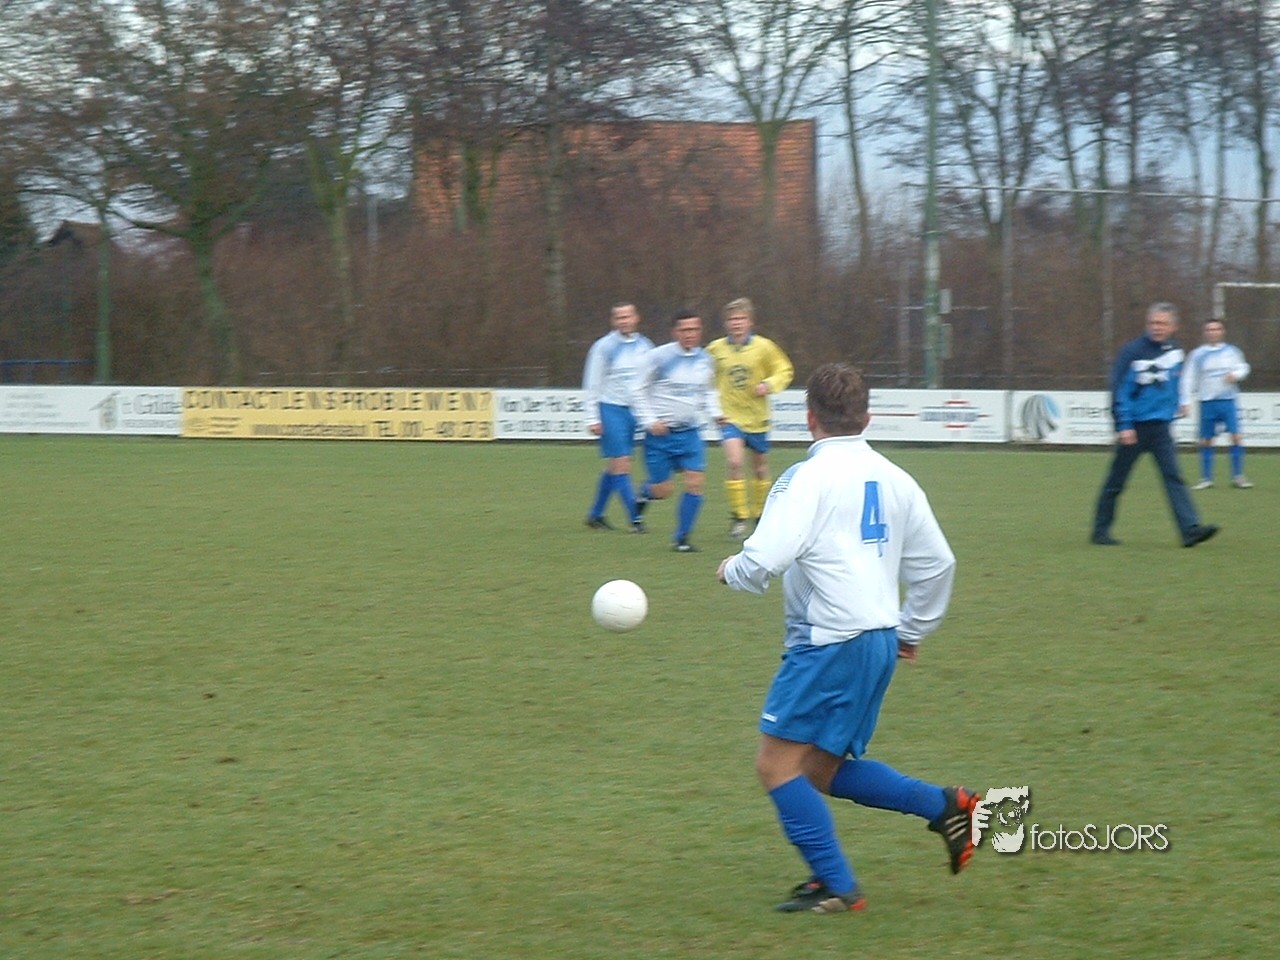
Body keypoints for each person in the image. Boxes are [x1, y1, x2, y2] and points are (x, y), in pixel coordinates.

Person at [717, 362, 979, 915]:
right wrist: (911, 630)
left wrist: (731, 571)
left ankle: (836, 884)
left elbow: (766, 556)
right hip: (878, 639)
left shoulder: (806, 478)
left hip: (830, 642)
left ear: (809, 417)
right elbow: (938, 565)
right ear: (867, 417)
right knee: (819, 768)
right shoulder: (897, 478)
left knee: (775, 765)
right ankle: (947, 807)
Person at [1090, 302, 1218, 548]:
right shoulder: (1132, 352)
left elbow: (1176, 382)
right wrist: (1123, 425)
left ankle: (1190, 530)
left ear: (1174, 326)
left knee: (1173, 477)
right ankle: (1100, 531)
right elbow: (1119, 391)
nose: (1156, 327)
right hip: (1134, 428)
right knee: (1116, 481)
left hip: (1160, 429)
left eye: (1162, 323)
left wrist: (1180, 402)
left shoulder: (1176, 351)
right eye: (1153, 323)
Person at [631, 310, 725, 552]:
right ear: (675, 332)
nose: (689, 334)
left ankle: (681, 539)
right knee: (663, 490)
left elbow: (708, 392)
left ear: (700, 331)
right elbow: (637, 390)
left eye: (694, 329)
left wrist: (716, 414)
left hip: (690, 433)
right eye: (684, 330)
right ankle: (645, 493)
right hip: (660, 436)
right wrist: (650, 421)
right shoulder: (658, 357)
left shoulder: (706, 360)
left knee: (695, 483)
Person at [707, 297, 794, 539]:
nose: (736, 323)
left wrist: (769, 384)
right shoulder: (715, 349)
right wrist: (712, 409)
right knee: (735, 462)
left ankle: (759, 513)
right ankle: (739, 517)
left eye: (741, 319)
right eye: (732, 319)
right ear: (726, 323)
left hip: (757, 418)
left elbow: (784, 369)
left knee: (760, 468)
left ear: (750, 322)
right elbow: (702, 376)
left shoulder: (764, 347)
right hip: (729, 417)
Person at [582, 302, 654, 532]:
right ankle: (635, 518)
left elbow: (650, 381)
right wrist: (592, 417)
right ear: (613, 321)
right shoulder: (604, 347)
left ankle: (595, 514)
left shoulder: (646, 346)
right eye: (619, 317)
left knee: (615, 466)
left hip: (635, 411)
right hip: (611, 409)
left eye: (627, 316)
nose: (624, 321)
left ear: (636, 318)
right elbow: (592, 383)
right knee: (623, 463)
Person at [1180, 318, 1253, 489]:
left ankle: (1238, 476)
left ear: (1222, 331)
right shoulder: (1197, 354)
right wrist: (1185, 400)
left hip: (1228, 400)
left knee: (1236, 436)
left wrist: (1236, 375)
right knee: (1206, 440)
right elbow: (1188, 378)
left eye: (1216, 329)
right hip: (1207, 401)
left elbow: (1244, 367)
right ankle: (1206, 479)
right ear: (1205, 333)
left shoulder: (1232, 351)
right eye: (1210, 330)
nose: (1213, 332)